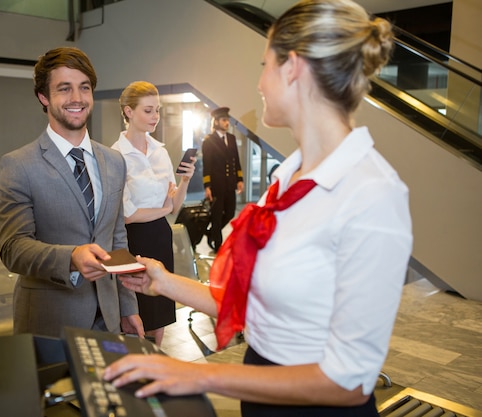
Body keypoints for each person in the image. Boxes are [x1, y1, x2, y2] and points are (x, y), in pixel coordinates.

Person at [102, 1, 413, 416]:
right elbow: (251, 302)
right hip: (262, 392)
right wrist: (164, 282)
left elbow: (349, 381)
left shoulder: (371, 194)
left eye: (264, 65)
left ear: (293, 68)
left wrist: (199, 375)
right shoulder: (288, 176)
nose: (261, 83)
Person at [0, 47, 144, 339]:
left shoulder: (114, 162)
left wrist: (128, 307)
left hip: (109, 317)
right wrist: (71, 257)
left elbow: (117, 239)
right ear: (44, 97)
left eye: (84, 88)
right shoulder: (19, 165)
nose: (77, 98)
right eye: (64, 89)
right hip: (50, 320)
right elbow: (13, 249)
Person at [111, 81, 196, 346]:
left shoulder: (160, 152)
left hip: (160, 236)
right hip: (133, 241)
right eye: (148, 111)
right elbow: (127, 215)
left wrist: (184, 182)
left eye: (157, 110)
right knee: (138, 315)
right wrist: (164, 208)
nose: (155, 117)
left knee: (159, 315)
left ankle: (155, 362)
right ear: (128, 112)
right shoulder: (116, 155)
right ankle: (138, 369)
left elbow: (174, 206)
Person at [202, 106, 244, 252]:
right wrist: (207, 186)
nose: (227, 123)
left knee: (231, 213)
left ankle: (211, 232)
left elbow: (236, 160)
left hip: (230, 183)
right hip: (216, 185)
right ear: (216, 121)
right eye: (224, 120)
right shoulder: (208, 141)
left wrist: (239, 179)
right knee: (217, 215)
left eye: (228, 120)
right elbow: (207, 165)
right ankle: (218, 245)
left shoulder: (231, 139)